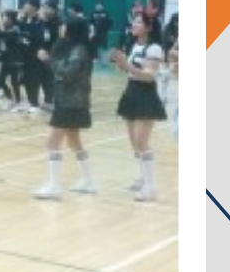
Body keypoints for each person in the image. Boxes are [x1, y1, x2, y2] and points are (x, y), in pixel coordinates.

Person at [33, 11, 99, 199]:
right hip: (69, 100)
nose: (61, 27)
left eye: (64, 25)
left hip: (71, 102)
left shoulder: (79, 50)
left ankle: (54, 187)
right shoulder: (69, 47)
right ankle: (88, 182)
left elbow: (68, 73)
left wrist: (47, 60)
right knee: (74, 141)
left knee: (52, 142)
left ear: (71, 29)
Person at [109, 11, 167, 203]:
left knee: (142, 141)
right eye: (134, 22)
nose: (134, 25)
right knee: (135, 142)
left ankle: (151, 188)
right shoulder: (134, 45)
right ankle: (143, 178)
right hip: (131, 92)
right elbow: (130, 71)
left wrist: (127, 65)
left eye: (139, 22)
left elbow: (149, 75)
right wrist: (120, 64)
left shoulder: (154, 48)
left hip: (145, 94)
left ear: (148, 27)